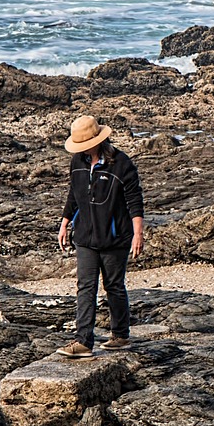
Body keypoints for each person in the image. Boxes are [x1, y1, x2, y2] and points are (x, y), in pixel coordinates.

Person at [56, 114, 145, 358]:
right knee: (85, 286)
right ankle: (83, 341)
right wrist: (64, 223)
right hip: (85, 236)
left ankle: (121, 335)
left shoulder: (121, 163)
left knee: (114, 286)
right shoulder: (77, 162)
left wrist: (138, 232)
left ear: (97, 140)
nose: (82, 150)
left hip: (115, 237)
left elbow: (134, 199)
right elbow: (73, 195)